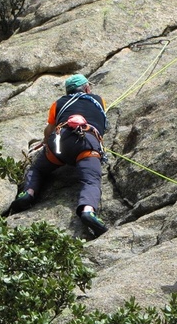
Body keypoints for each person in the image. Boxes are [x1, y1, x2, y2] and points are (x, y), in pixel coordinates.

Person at [7, 74, 109, 237]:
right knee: (91, 180)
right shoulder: (99, 100)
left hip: (59, 143)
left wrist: (46, 142)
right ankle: (88, 211)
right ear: (87, 88)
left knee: (38, 169)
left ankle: (28, 193)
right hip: (86, 144)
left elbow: (49, 129)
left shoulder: (59, 103)